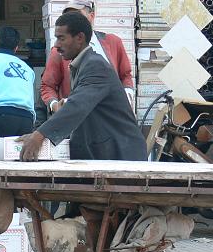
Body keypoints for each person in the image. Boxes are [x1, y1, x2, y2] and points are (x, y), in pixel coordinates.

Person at [19, 11, 146, 162]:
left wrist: (39, 135)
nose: (56, 45)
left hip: (121, 154)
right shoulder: (81, 65)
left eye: (61, 38)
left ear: (79, 38)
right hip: (105, 154)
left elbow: (77, 106)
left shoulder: (95, 65)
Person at [41, 0, 135, 115]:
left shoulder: (112, 42)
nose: (73, 21)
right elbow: (48, 85)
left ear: (92, 16)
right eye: (69, 17)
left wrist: (127, 93)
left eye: (78, 16)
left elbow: (125, 75)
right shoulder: (60, 51)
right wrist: (55, 105)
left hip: (110, 114)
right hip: (76, 117)